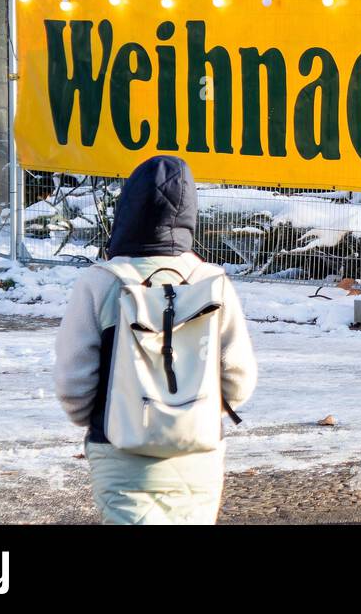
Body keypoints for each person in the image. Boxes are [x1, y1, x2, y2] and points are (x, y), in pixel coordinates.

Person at [55, 155, 256, 524]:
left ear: (127, 210)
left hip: (121, 452)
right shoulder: (213, 282)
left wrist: (100, 420)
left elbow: (73, 384)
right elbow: (239, 381)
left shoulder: (101, 282)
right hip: (198, 450)